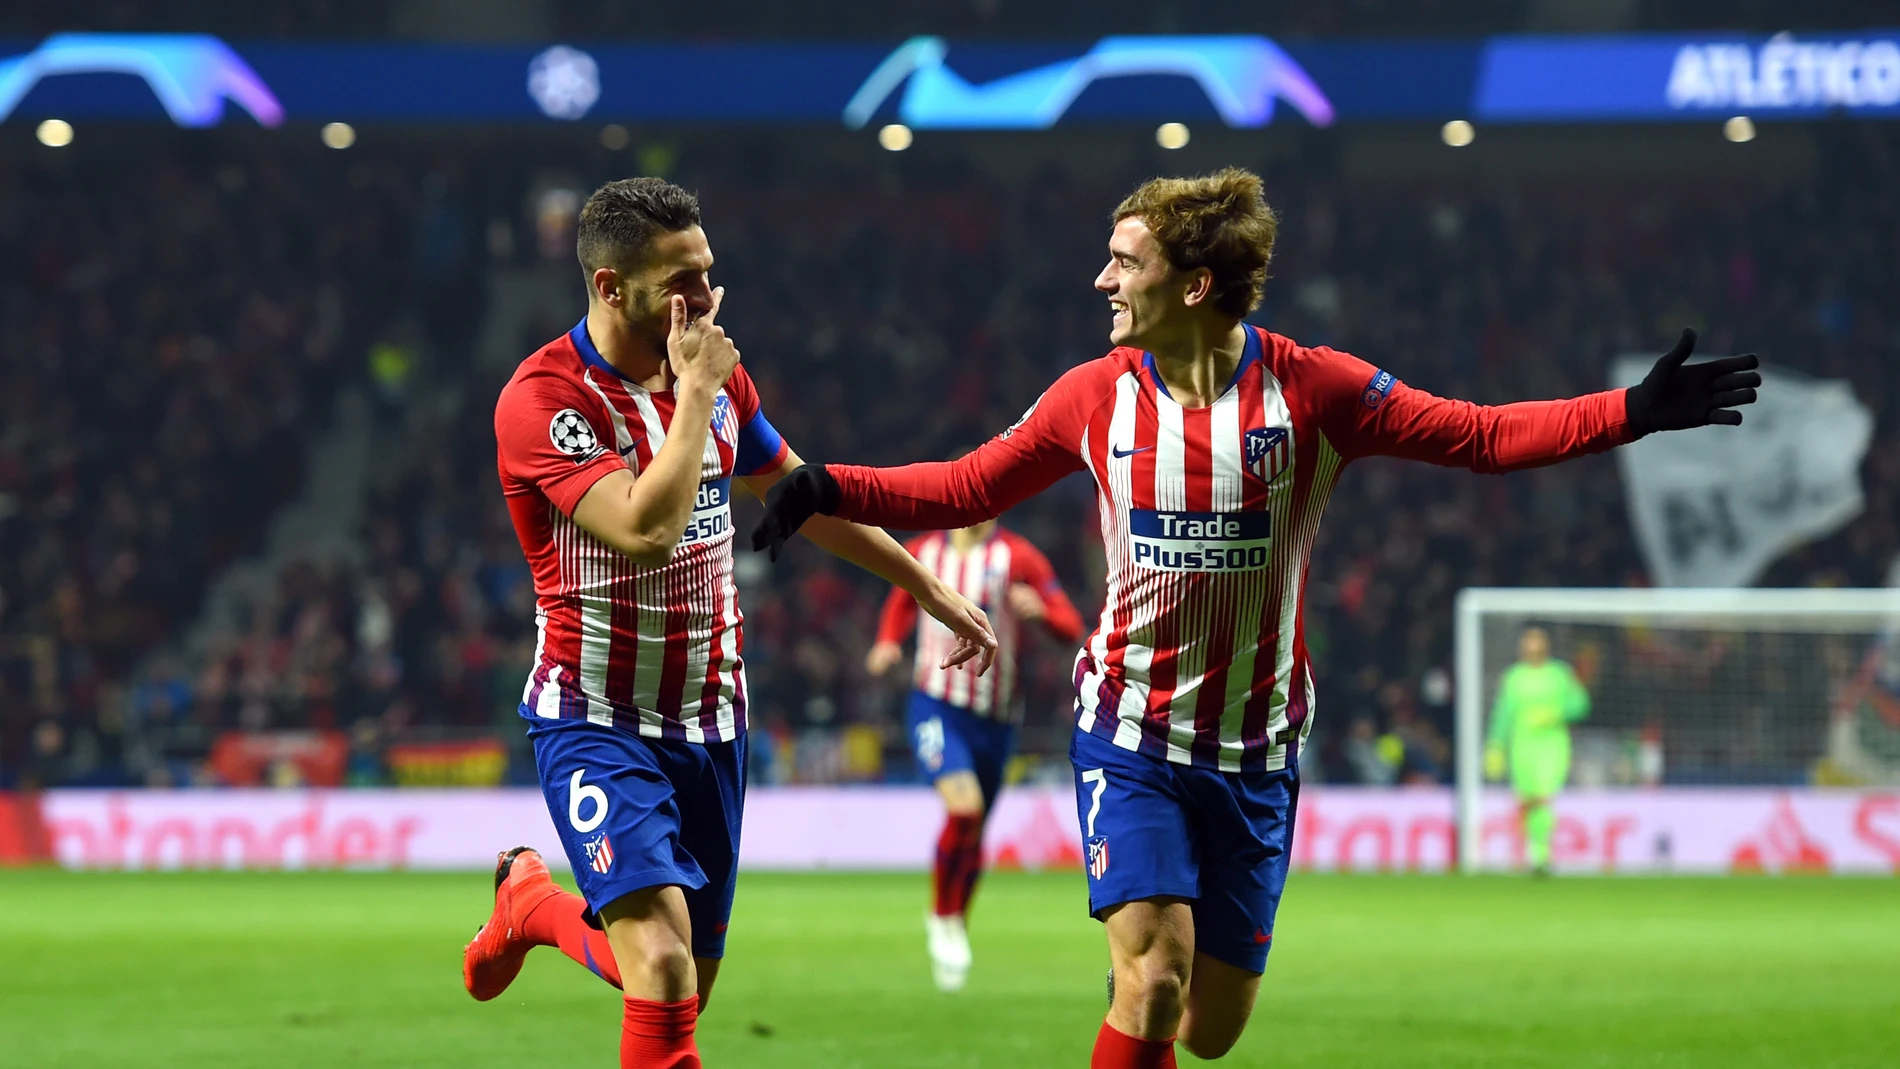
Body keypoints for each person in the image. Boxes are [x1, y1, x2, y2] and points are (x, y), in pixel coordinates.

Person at [750, 167, 1760, 1067]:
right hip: (1130, 733)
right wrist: (823, 484)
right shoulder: (1093, 397)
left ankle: (1148, 981)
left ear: (1193, 286)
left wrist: (1630, 412)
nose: (1101, 282)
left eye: (1122, 262)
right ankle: (1140, 977)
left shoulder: (1314, 389)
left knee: (1210, 1028)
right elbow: (963, 487)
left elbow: (1482, 437)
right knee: (1154, 982)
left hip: (1256, 747)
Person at [463, 177, 997, 1069]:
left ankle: (535, 907)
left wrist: (929, 588)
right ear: (609, 287)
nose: (705, 298)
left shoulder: (714, 375)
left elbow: (800, 499)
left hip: (713, 722)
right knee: (664, 971)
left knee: (681, 985)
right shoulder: (544, 401)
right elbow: (643, 527)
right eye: (681, 281)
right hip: (597, 717)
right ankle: (540, 907)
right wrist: (696, 394)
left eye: (708, 272)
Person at [865, 510, 1084, 991]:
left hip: (998, 715)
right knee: (963, 811)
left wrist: (1041, 613)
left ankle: (955, 920)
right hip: (936, 705)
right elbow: (902, 599)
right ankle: (941, 917)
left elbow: (1070, 624)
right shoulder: (926, 552)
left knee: (976, 824)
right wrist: (887, 642)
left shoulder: (1019, 557)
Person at [1485, 626, 1590, 876]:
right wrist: (1495, 745)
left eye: (1536, 644)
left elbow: (1581, 704)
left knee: (1544, 795)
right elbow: (1503, 714)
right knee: (1527, 799)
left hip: (1552, 744)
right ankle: (1534, 851)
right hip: (1522, 745)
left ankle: (1541, 853)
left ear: (1545, 647)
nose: (1532, 649)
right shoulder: (1514, 677)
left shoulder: (1559, 674)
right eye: (1528, 645)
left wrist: (1557, 713)